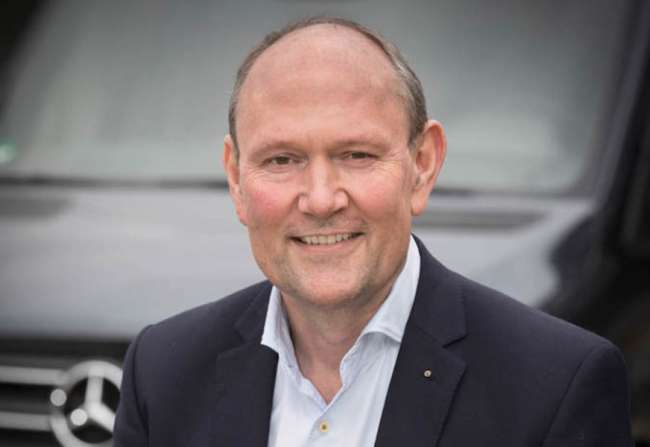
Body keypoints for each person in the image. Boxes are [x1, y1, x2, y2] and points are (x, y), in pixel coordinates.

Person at [114, 17, 633, 446]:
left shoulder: (557, 385)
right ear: (235, 178)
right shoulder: (163, 371)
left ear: (423, 165)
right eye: (282, 159)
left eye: (357, 155)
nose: (321, 199)